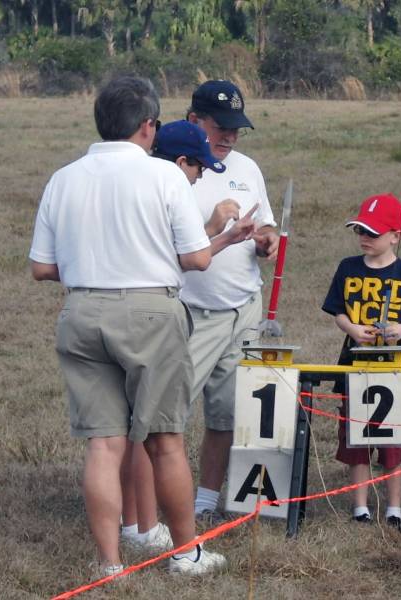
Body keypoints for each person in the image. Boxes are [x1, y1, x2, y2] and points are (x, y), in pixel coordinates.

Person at [29, 76, 225, 576]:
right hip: (150, 314)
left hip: (81, 311)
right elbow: (197, 258)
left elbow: (42, 267)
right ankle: (186, 553)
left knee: (103, 442)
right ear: (148, 126)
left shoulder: (62, 178)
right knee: (165, 440)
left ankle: (109, 563)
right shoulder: (164, 176)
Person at [119, 119, 257, 550]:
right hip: (158, 314)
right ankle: (145, 528)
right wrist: (215, 230)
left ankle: (140, 523)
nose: (199, 177)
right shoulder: (164, 188)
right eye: (198, 168)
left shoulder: (134, 181)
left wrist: (227, 237)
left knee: (133, 427)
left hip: (125, 312)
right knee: (154, 427)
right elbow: (188, 258)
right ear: (182, 162)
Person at [183, 80, 280, 523]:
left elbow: (267, 224)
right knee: (166, 413)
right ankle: (147, 505)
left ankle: (205, 501)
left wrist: (266, 241)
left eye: (236, 128)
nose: (229, 137)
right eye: (220, 126)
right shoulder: (172, 169)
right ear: (194, 120)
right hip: (190, 310)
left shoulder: (247, 168)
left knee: (226, 412)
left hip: (243, 309)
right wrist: (212, 223)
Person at [321, 193, 401, 533]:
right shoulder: (347, 267)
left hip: (393, 369)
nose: (364, 238)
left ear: (395, 236)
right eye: (360, 231)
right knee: (357, 439)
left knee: (393, 443)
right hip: (354, 367)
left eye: (373, 232)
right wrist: (353, 329)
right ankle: (360, 508)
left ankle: (394, 509)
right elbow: (338, 311)